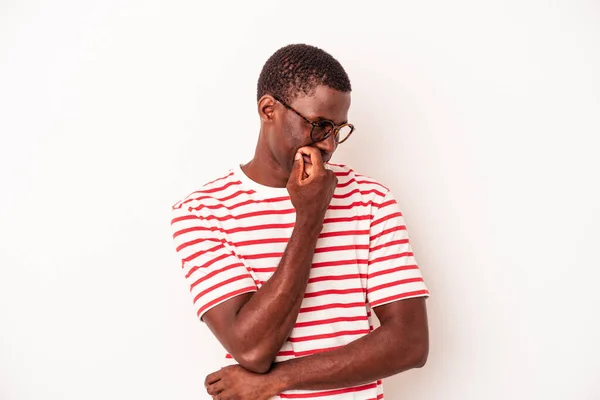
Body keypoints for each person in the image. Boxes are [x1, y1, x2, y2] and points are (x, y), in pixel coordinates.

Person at [170, 43, 430, 400]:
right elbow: (252, 349)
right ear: (268, 110)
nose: (328, 145)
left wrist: (276, 381)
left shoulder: (371, 199)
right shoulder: (202, 211)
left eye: (338, 129)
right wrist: (310, 217)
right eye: (320, 125)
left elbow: (410, 342)